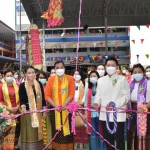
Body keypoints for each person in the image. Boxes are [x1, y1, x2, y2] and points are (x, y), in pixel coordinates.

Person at [93, 57, 130, 150]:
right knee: (108, 140)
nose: (110, 67)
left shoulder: (122, 79)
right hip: (104, 114)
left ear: (117, 67)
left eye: (113, 65)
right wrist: (96, 103)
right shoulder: (100, 80)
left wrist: (115, 105)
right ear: (105, 67)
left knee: (120, 139)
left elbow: (126, 96)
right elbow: (98, 95)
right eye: (108, 65)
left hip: (118, 115)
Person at [45, 60, 75, 150]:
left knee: (68, 132)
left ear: (64, 68)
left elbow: (71, 94)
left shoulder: (70, 78)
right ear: (54, 69)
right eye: (57, 68)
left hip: (67, 110)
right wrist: (56, 106)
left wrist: (63, 105)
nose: (59, 69)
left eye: (61, 67)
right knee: (57, 133)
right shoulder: (51, 79)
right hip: (55, 111)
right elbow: (47, 96)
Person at [19, 66, 46, 150]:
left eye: (33, 72)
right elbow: (22, 100)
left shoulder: (39, 84)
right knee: (30, 135)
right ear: (25, 74)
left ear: (35, 73)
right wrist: (23, 108)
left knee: (38, 134)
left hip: (38, 113)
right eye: (29, 73)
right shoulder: (22, 85)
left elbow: (43, 100)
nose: (31, 74)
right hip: (27, 115)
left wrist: (44, 111)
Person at [127, 64, 150, 150]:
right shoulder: (130, 84)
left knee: (142, 135)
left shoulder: (147, 83)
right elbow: (127, 99)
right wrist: (127, 111)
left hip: (143, 112)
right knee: (132, 134)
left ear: (143, 73)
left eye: (139, 72)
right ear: (132, 74)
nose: (137, 74)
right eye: (135, 72)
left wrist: (143, 108)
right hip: (132, 111)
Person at [83, 70, 106, 150]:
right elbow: (86, 103)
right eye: (91, 76)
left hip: (100, 114)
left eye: (95, 76)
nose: (93, 78)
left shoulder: (102, 88)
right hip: (91, 115)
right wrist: (86, 114)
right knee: (92, 134)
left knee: (101, 133)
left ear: (98, 77)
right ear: (89, 78)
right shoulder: (88, 89)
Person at [0, 69, 20, 150]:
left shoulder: (17, 85)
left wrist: (18, 107)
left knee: (17, 132)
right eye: (7, 76)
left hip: (17, 113)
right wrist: (9, 109)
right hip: (7, 113)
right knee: (8, 135)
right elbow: (0, 100)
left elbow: (20, 98)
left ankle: (14, 146)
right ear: (4, 77)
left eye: (10, 76)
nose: (9, 77)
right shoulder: (1, 87)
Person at [73, 70, 89, 150]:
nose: (76, 75)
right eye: (75, 74)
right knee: (74, 126)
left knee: (81, 126)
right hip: (72, 108)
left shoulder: (83, 84)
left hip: (81, 107)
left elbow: (85, 95)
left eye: (78, 74)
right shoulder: (70, 84)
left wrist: (81, 103)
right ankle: (75, 142)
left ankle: (81, 143)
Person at [36, 71, 52, 149]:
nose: (42, 79)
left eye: (43, 78)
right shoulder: (35, 88)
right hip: (38, 113)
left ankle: (48, 146)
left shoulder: (49, 87)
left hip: (48, 112)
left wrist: (48, 109)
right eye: (40, 78)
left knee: (48, 130)